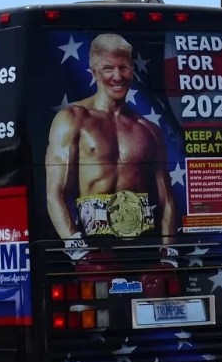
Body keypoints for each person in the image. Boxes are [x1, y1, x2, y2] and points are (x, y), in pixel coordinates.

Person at [45, 33, 176, 245]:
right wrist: (75, 246)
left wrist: (168, 252)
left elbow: (166, 199)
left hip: (143, 245)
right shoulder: (72, 119)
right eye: (108, 68)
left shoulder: (148, 129)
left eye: (123, 67)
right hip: (90, 243)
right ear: (94, 72)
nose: (117, 76)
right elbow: (55, 193)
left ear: (132, 70)